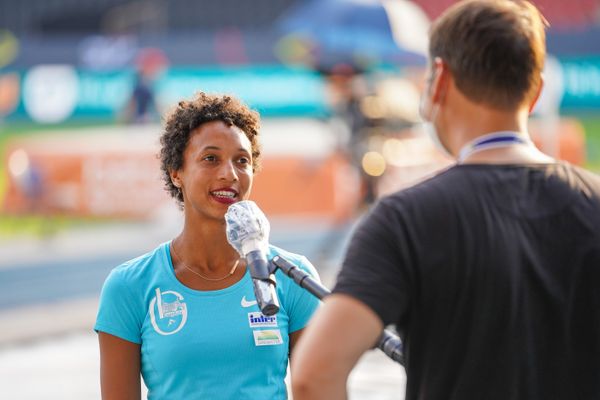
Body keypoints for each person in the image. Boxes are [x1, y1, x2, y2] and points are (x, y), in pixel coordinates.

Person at [291, 1, 600, 399]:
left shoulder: (403, 220)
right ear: (537, 91)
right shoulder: (593, 204)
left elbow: (314, 374)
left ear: (439, 78)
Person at [95, 92, 320, 399]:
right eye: (210, 158)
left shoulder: (293, 277)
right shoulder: (129, 286)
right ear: (177, 173)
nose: (229, 174)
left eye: (242, 161)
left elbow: (322, 388)